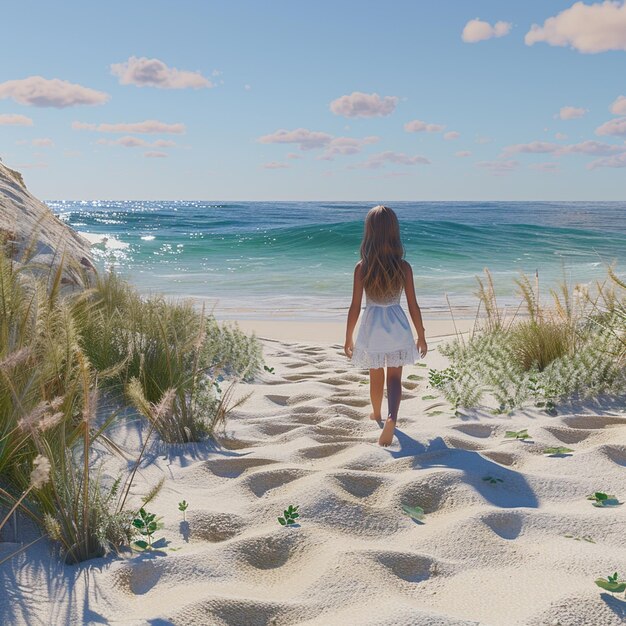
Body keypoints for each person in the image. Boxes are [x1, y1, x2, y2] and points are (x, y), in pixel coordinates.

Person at [344, 205, 428, 446]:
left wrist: (348, 337)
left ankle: (378, 414)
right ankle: (392, 416)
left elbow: (354, 307)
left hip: (372, 326)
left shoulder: (362, 267)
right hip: (397, 324)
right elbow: (414, 306)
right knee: (395, 375)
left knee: (375, 372)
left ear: (369, 232)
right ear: (394, 232)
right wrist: (420, 335)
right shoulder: (403, 267)